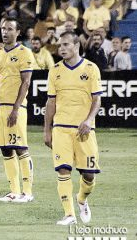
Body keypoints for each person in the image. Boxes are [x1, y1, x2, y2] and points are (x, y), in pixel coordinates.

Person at [44, 31, 102, 225]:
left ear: (77, 46)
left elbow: (97, 100)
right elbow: (50, 102)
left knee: (88, 175)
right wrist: (47, 130)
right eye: (60, 45)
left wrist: (89, 120)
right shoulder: (55, 70)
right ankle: (69, 214)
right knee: (63, 170)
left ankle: (82, 199)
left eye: (66, 44)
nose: (61, 48)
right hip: (60, 128)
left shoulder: (91, 68)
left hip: (84, 130)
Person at [0, 18, 35, 203]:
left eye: (10, 29)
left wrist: (16, 108)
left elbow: (26, 82)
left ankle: (27, 192)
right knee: (5, 149)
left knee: (20, 147)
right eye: (3, 28)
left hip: (16, 107)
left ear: (18, 32)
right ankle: (14, 191)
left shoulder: (25, 53)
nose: (5, 32)